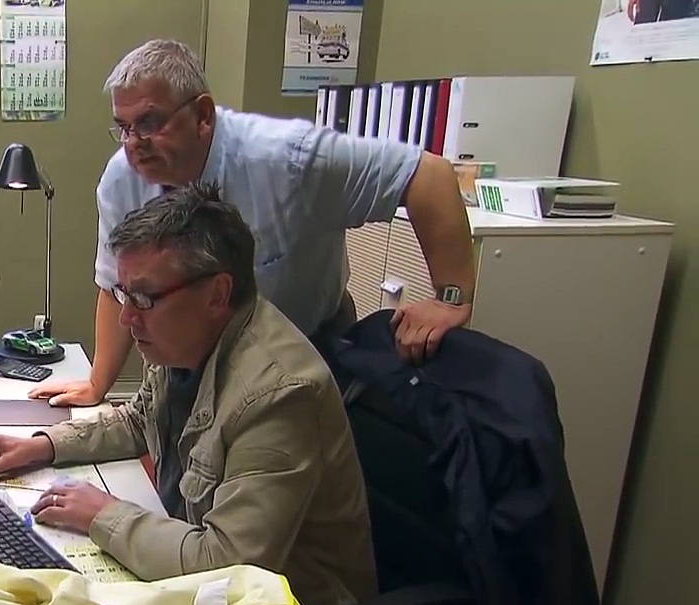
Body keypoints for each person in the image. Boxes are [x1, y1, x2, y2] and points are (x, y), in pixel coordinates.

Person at [0, 181, 409, 605]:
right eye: (124, 294)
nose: (127, 317)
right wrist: (42, 446)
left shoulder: (279, 394)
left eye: (144, 298)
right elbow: (138, 420)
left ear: (217, 293)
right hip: (214, 594)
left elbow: (229, 565)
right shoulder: (185, 339)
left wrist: (104, 514)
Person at [29, 39, 475, 408]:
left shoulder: (288, 159)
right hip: (189, 358)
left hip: (304, 353)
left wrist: (451, 298)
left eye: (149, 123)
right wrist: (98, 383)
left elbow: (428, 176)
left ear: (203, 116)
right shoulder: (121, 179)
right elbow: (116, 287)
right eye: (123, 127)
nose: (133, 144)